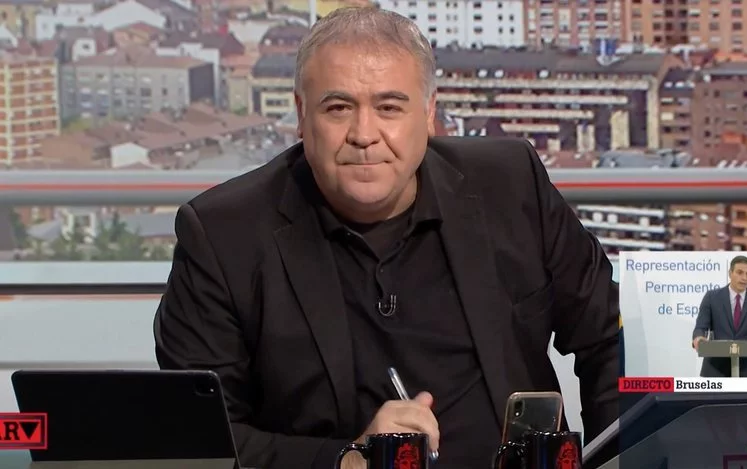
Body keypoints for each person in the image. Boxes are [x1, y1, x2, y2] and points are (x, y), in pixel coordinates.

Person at [154, 7, 620, 469]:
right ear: (301, 114)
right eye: (338, 108)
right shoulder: (223, 235)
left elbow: (611, 336)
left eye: (389, 108)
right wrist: (346, 460)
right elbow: (198, 437)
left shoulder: (511, 184)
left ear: (429, 113)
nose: (364, 135)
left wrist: (617, 460)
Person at [692, 255, 747, 377]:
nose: (744, 278)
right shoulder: (712, 297)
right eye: (740, 272)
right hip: (715, 369)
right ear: (730, 273)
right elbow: (701, 327)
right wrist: (699, 338)